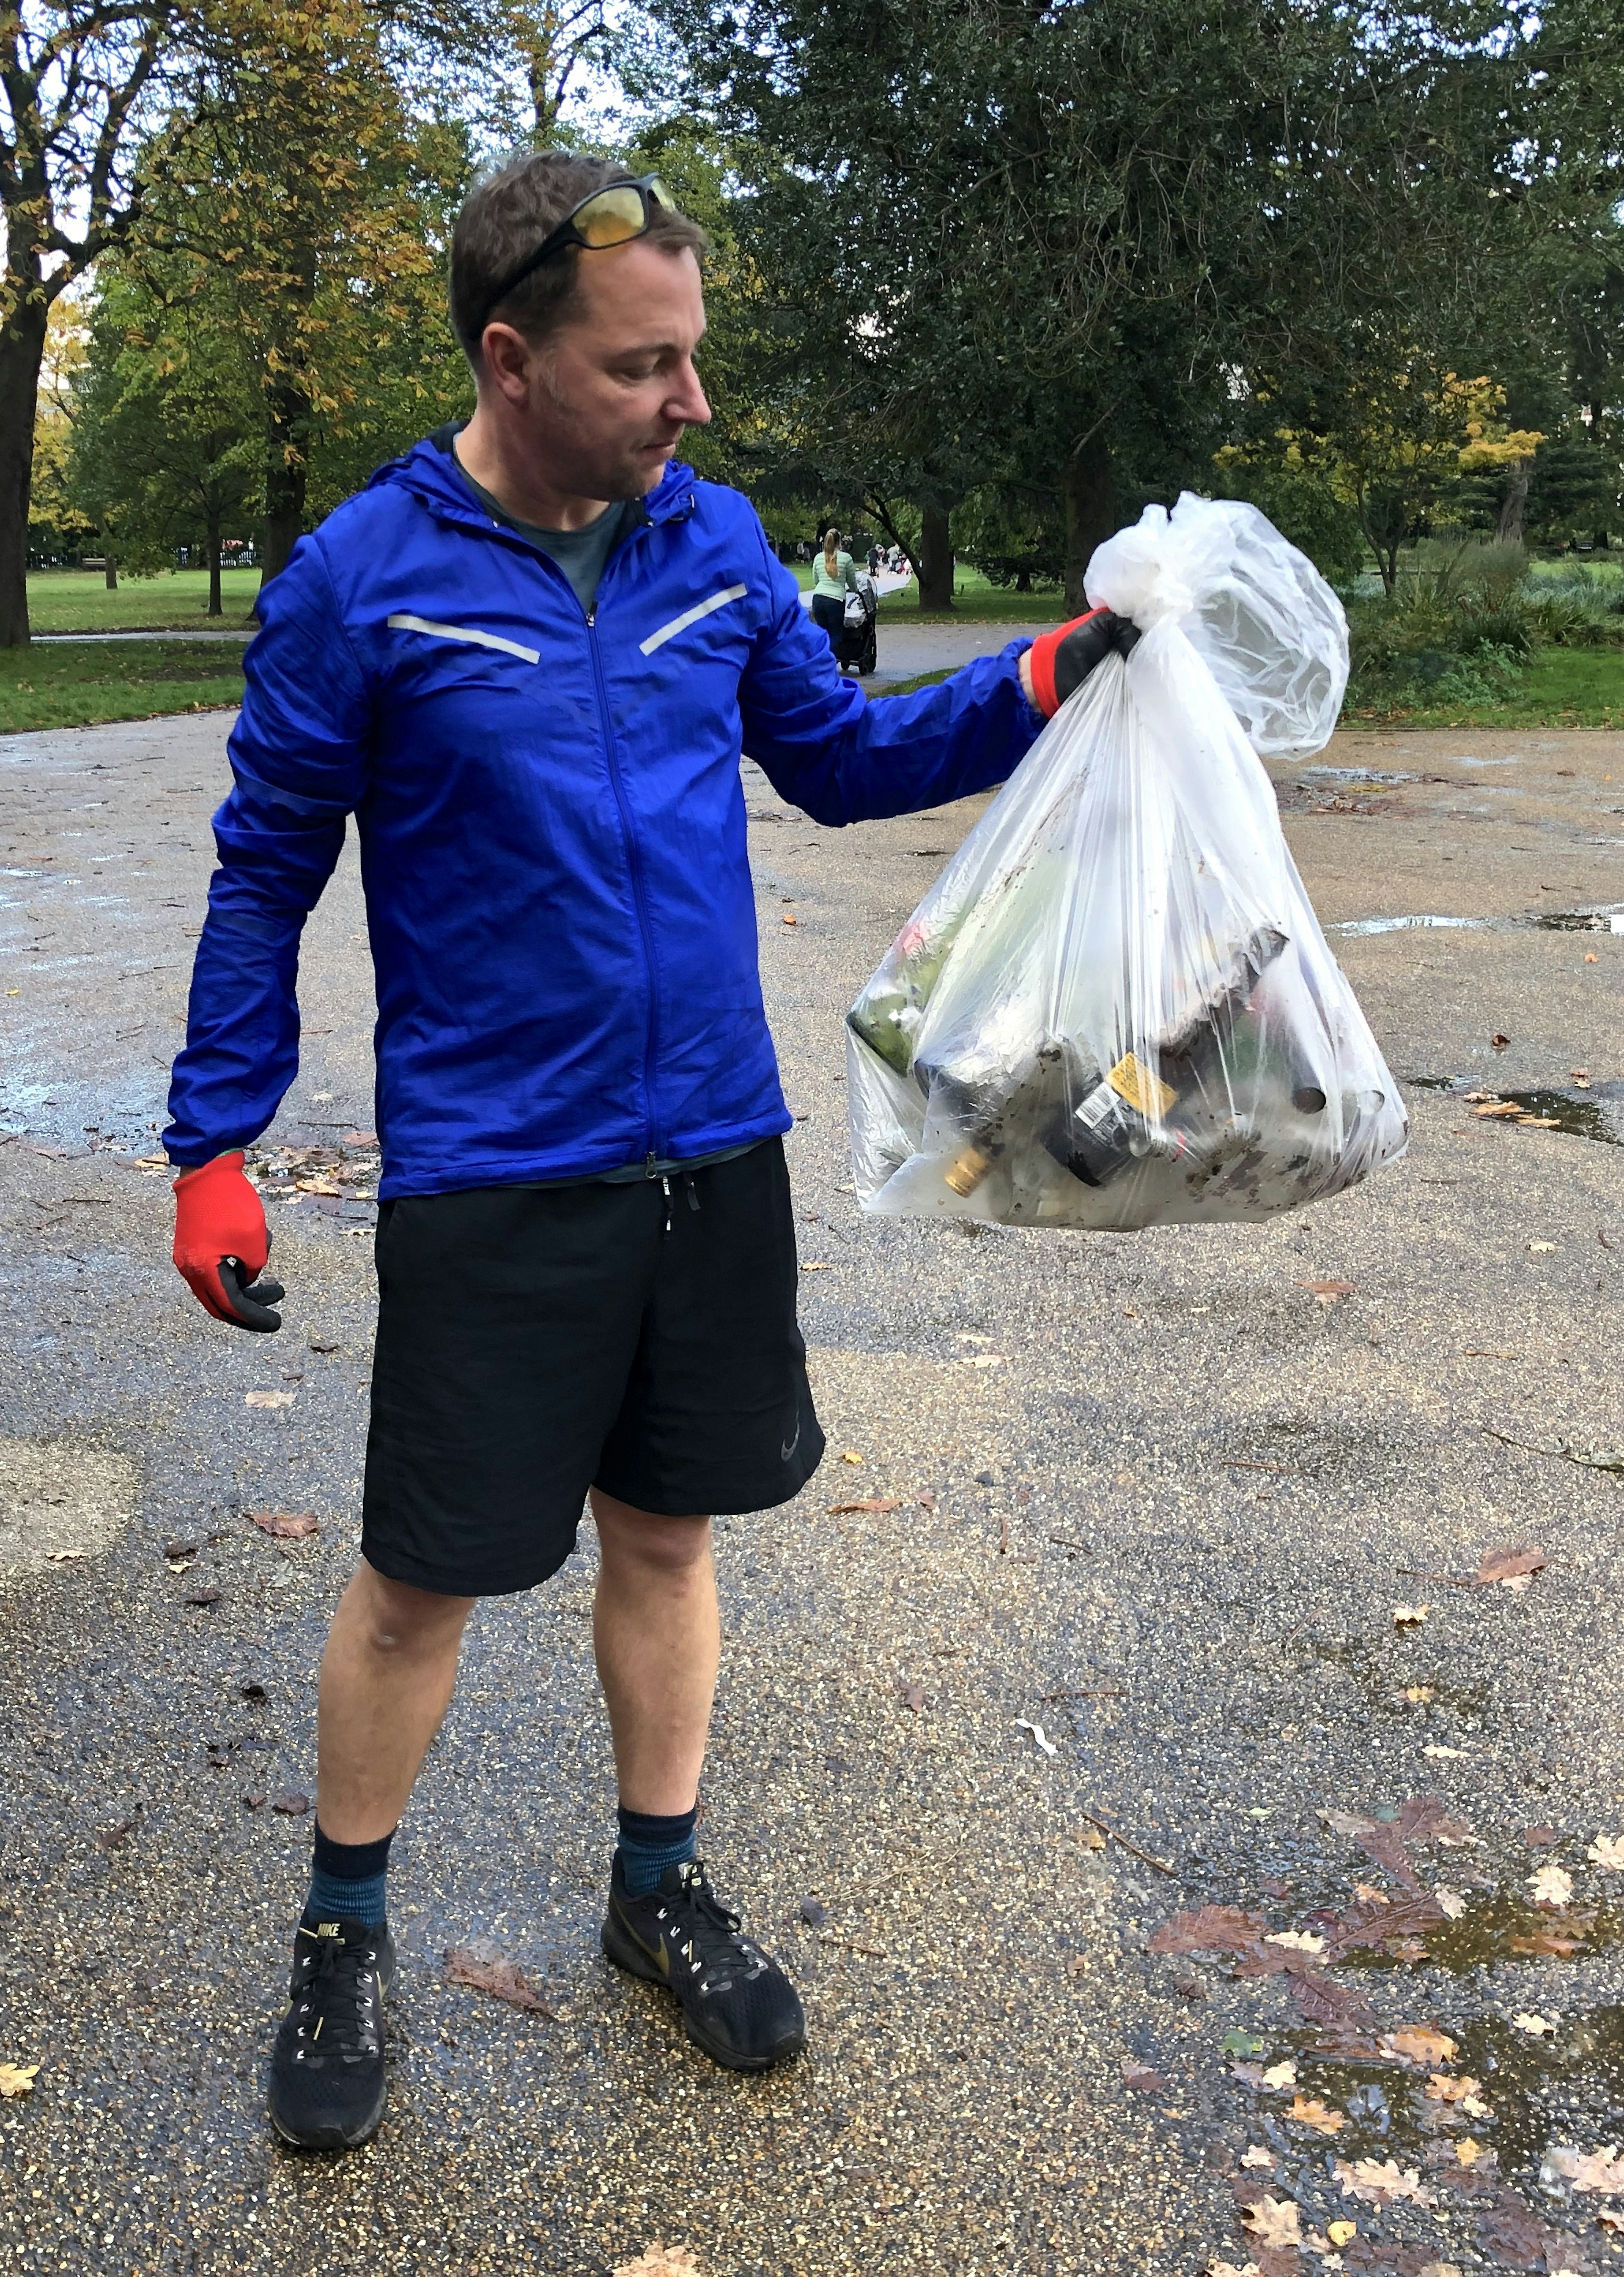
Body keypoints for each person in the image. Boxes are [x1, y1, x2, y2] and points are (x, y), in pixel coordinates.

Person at [164, 148, 1134, 2154]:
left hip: (710, 1145)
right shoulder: (363, 578)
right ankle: (346, 1928)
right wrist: (213, 1141)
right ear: (511, 359)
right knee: (423, 1581)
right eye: (647, 366)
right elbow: (264, 871)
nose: (691, 403)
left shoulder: (714, 545)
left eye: (696, 360)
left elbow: (841, 755)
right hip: (496, 1170)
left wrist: (1052, 671)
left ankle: (655, 1885)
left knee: (672, 1535)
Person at [809, 525, 860, 660]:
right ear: (839, 542)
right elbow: (852, 581)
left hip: (819, 598)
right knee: (836, 634)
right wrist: (855, 591)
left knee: (823, 633)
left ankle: (820, 657)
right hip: (835, 600)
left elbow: (816, 580)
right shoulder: (846, 558)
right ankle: (824, 659)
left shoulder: (819, 558)